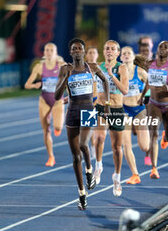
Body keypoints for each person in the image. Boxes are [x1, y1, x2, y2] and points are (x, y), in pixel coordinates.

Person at [54, 38, 110, 210]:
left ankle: (89, 170)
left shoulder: (91, 67)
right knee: (75, 156)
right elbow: (56, 96)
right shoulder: (65, 69)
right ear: (70, 52)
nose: (77, 51)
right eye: (74, 49)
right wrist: (66, 79)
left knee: (83, 145)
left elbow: (106, 81)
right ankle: (81, 194)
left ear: (84, 52)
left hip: (88, 110)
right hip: (72, 112)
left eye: (80, 48)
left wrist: (106, 104)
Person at [139, 41, 168, 179]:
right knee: (153, 133)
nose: (162, 49)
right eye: (160, 47)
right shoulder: (149, 64)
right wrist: (141, 97)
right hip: (154, 104)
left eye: (166, 48)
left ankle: (167, 137)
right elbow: (147, 82)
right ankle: (154, 168)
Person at [93, 40, 129, 197]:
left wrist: (111, 75)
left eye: (112, 49)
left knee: (117, 148)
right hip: (100, 107)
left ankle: (117, 177)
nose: (109, 51)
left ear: (118, 53)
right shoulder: (97, 67)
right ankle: (98, 165)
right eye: (107, 48)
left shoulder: (121, 67)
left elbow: (125, 90)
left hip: (116, 109)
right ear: (103, 50)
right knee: (99, 137)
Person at [24, 43, 65, 167]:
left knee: (57, 127)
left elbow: (72, 80)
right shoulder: (39, 67)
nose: (49, 52)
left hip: (58, 100)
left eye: (51, 50)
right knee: (46, 130)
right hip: (44, 100)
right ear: (44, 52)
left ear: (56, 52)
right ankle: (51, 156)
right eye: (47, 50)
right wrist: (34, 85)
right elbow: (27, 84)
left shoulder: (62, 66)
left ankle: (57, 128)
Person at [120, 47, 149, 184]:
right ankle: (135, 174)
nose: (126, 55)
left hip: (139, 110)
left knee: (144, 146)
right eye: (123, 53)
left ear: (133, 57)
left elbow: (151, 84)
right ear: (120, 58)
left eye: (128, 53)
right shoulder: (117, 72)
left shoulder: (140, 72)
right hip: (124, 110)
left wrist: (145, 96)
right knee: (126, 144)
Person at [137, 37, 154, 166]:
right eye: (142, 50)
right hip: (135, 97)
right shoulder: (135, 62)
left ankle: (148, 154)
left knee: (150, 127)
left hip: (150, 98)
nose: (145, 53)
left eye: (146, 50)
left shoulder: (154, 62)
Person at [85, 46, 99, 159]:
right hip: (86, 100)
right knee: (87, 127)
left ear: (97, 55)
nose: (92, 54)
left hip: (98, 100)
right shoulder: (82, 68)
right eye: (90, 52)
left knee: (95, 128)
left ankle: (94, 147)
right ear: (86, 55)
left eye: (94, 52)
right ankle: (90, 146)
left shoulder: (101, 67)